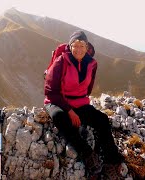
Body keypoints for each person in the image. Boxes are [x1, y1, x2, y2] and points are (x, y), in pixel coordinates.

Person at [44, 30, 124, 179]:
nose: (79, 49)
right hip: (57, 100)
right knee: (59, 117)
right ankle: (87, 153)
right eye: (75, 45)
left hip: (79, 101)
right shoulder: (61, 62)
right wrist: (69, 110)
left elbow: (87, 89)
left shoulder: (91, 64)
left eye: (82, 46)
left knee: (102, 120)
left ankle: (112, 161)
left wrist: (79, 107)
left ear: (87, 47)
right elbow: (50, 91)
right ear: (70, 46)